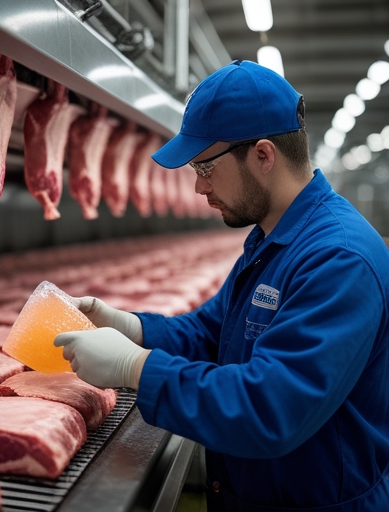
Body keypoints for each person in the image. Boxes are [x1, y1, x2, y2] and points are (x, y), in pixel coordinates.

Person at [54, 60, 389, 510]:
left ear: (263, 155)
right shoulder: (272, 239)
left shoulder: (338, 259)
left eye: (205, 168)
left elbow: (270, 409)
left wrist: (136, 367)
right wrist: (131, 327)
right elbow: (213, 333)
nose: (197, 187)